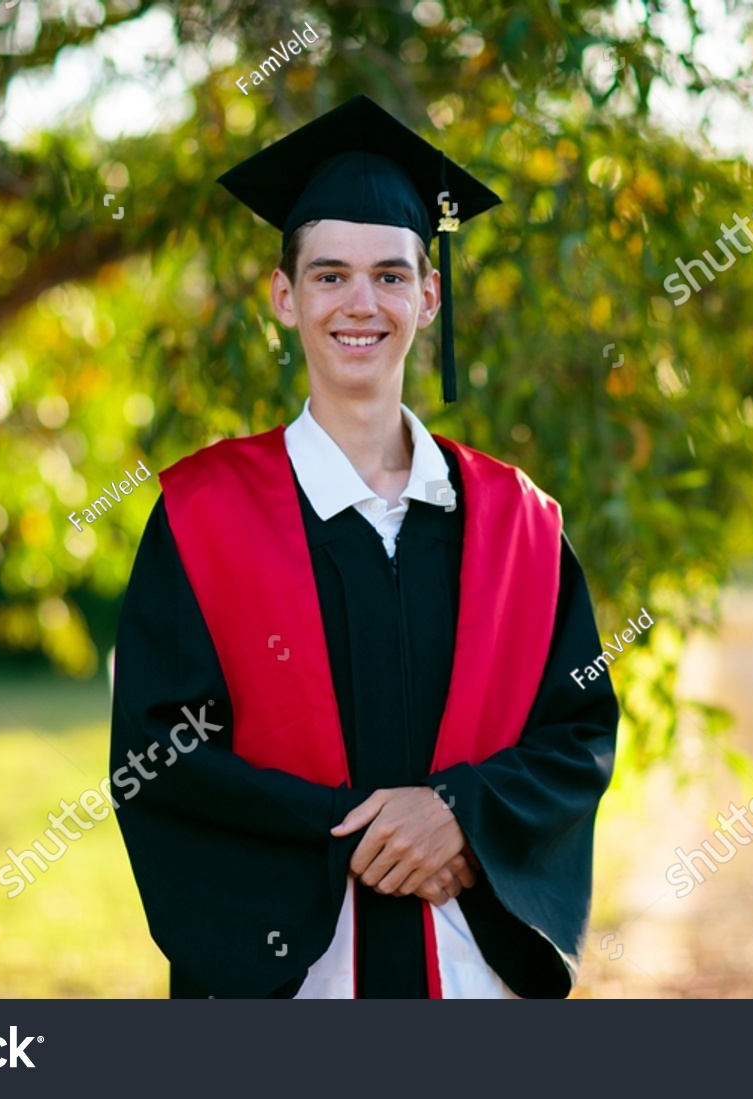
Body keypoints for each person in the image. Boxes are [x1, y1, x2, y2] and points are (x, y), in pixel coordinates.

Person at [110, 95, 618, 998]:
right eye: (330, 274)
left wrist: (461, 818)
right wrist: (364, 831)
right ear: (285, 296)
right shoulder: (202, 514)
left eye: (390, 275)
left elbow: (575, 736)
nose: (361, 303)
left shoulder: (519, 523)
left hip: (470, 982)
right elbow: (163, 759)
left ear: (429, 295)